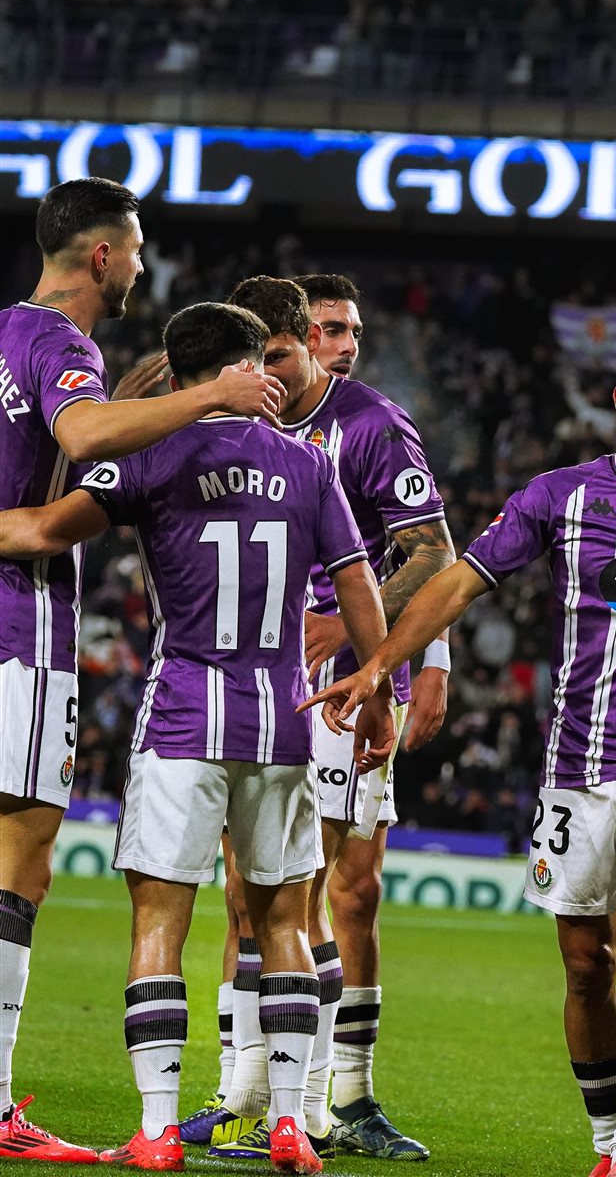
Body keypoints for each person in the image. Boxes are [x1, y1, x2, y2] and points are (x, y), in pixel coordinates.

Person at [301, 327, 616, 1177]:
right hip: (575, 774)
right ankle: (608, 1135)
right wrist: (381, 664)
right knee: (586, 968)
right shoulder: (561, 497)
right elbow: (455, 584)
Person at [0, 301, 398, 1173]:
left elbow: (43, 529)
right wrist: (376, 691)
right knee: (284, 922)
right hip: (282, 722)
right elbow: (358, 580)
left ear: (178, 375)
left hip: (182, 715)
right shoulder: (309, 462)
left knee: (159, 923)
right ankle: (289, 1123)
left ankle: (155, 1130)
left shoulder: (152, 455)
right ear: (251, 367)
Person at [0, 178, 284, 1164]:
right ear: (103, 255)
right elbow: (80, 442)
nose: (144, 264)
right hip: (20, 624)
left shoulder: (6, 333)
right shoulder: (63, 344)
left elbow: (59, 444)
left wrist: (130, 407)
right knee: (21, 857)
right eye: (137, 247)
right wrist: (206, 397)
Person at [186, 276, 449, 1163]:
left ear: (300, 341)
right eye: (250, 358)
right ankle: (243, 1095)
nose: (263, 371)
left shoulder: (369, 423)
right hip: (249, 678)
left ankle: (323, 1104)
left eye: (277, 355)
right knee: (246, 896)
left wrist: (366, 638)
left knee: (315, 894)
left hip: (342, 685)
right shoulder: (236, 420)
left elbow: (433, 552)